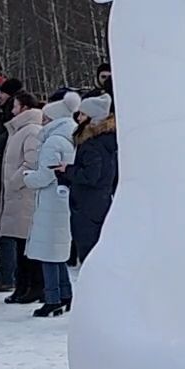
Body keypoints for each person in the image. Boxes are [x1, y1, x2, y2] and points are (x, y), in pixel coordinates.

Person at [24, 92, 80, 317]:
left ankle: (52, 298)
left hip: (50, 201)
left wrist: (27, 177)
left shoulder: (52, 141)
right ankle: (66, 294)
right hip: (64, 199)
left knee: (48, 252)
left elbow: (45, 175)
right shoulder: (73, 135)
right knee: (58, 251)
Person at [0, 89, 44, 303]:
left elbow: (31, 162)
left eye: (15, 106)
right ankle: (22, 286)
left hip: (24, 195)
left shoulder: (31, 130)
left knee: (27, 246)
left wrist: (14, 182)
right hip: (17, 196)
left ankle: (34, 286)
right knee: (19, 244)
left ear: (24, 107)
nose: (12, 110)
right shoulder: (18, 130)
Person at [63, 94, 118, 265]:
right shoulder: (106, 141)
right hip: (99, 201)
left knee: (89, 251)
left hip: (88, 204)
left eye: (82, 114)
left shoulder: (93, 143)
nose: (78, 118)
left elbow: (91, 175)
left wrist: (68, 170)